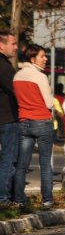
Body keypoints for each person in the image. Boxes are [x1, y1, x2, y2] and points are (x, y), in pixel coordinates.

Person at [13, 44, 56, 209]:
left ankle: (19, 200)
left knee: (22, 164)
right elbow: (48, 102)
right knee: (45, 163)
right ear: (33, 59)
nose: (45, 59)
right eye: (42, 56)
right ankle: (47, 200)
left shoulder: (17, 76)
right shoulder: (40, 77)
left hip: (24, 121)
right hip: (42, 121)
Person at [0, 31, 20, 208]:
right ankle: (4, 199)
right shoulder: (4, 67)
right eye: (12, 44)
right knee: (9, 159)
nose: (16, 47)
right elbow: (16, 91)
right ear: (1, 45)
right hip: (7, 119)